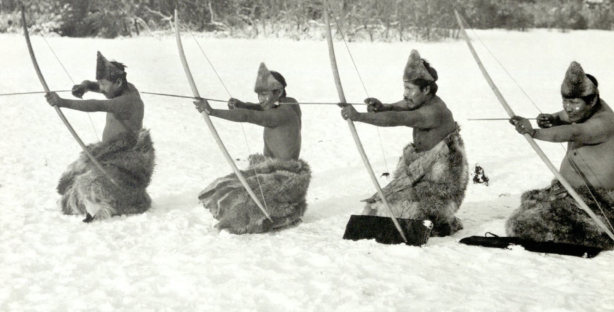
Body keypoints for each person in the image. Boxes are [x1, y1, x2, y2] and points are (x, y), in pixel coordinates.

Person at [506, 61, 614, 249]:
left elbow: (574, 132)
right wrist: (549, 119)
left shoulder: (605, 122)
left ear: (592, 101)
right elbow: (561, 116)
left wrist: (534, 132)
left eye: (574, 103)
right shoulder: (582, 110)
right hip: (569, 195)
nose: (568, 108)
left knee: (524, 226)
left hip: (595, 205)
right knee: (527, 209)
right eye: (565, 101)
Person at [339, 50, 468, 236]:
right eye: (404, 88)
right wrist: (383, 107)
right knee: (376, 209)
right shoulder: (421, 101)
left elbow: (397, 118)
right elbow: (400, 107)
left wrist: (359, 116)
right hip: (422, 175)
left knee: (398, 213)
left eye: (409, 89)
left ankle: (443, 223)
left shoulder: (433, 111)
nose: (405, 93)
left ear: (426, 90)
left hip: (440, 184)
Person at [193, 63, 311, 234]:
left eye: (264, 95)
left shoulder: (281, 114)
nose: (260, 99)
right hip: (269, 168)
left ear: (278, 92)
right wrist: (244, 104)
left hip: (283, 177)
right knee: (219, 189)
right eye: (258, 95)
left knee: (240, 205)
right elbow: (259, 108)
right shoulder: (290, 102)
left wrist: (211, 111)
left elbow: (249, 116)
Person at [45, 52, 154, 222]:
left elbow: (97, 105)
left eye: (104, 84)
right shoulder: (120, 88)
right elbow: (92, 84)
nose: (101, 89)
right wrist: (84, 87)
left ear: (118, 83)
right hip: (109, 153)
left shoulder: (129, 100)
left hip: (126, 159)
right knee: (74, 177)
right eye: (100, 84)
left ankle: (105, 205)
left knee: (94, 185)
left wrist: (62, 102)